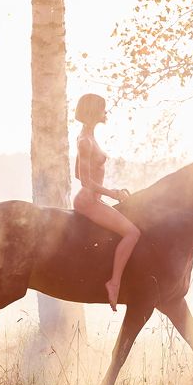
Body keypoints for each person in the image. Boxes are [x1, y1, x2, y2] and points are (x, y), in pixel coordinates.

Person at [72, 93, 141, 312]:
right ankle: (114, 283)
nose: (106, 112)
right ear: (94, 111)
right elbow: (83, 180)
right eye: (103, 108)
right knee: (132, 233)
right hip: (88, 202)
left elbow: (76, 173)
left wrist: (110, 192)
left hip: (93, 199)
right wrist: (111, 193)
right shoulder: (85, 141)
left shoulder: (88, 138)